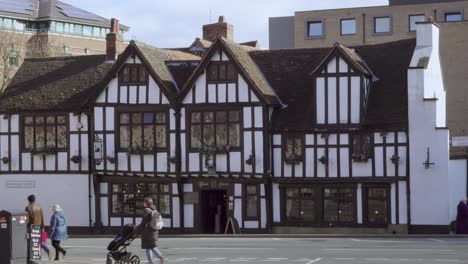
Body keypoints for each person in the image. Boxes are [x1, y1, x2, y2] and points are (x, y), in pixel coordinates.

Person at [136, 197, 164, 264]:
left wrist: (136, 230)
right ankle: (160, 256)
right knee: (152, 246)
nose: (143, 204)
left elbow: (143, 223)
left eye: (144, 202)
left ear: (146, 203)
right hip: (154, 231)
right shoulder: (154, 210)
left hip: (148, 232)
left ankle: (150, 262)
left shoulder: (146, 210)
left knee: (148, 247)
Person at [25, 195, 48, 260]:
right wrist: (43, 227)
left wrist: (26, 225)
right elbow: (42, 217)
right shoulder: (39, 207)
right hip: (39, 226)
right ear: (34, 200)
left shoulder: (28, 207)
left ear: (29, 200)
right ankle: (46, 251)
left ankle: (30, 256)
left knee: (31, 241)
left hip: (31, 226)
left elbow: (28, 219)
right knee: (38, 240)